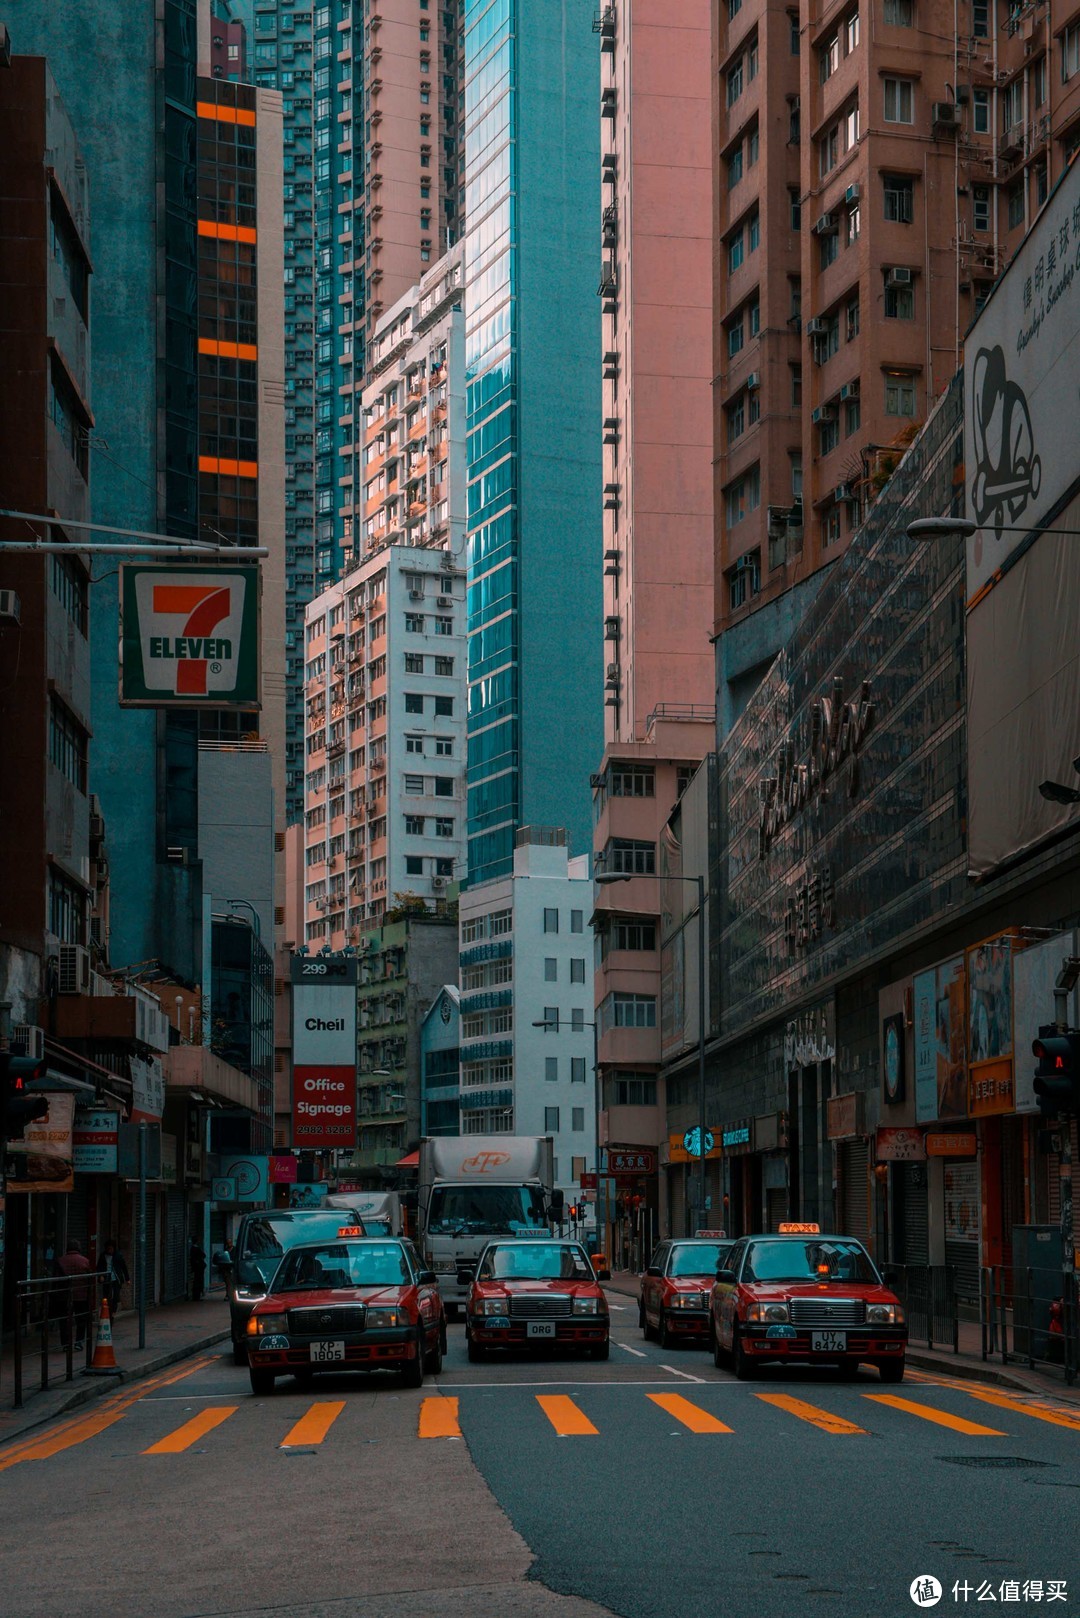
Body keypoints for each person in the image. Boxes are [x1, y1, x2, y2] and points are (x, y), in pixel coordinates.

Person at [55, 1240, 92, 1350]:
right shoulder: (85, 1261)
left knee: (65, 1320)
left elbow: (56, 1279)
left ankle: (66, 1344)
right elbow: (89, 1277)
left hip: (64, 1295)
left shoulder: (60, 1261)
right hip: (81, 1295)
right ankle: (79, 1342)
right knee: (81, 1319)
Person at [96, 1240, 130, 1318]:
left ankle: (113, 1311)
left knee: (116, 1296)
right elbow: (99, 1267)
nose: (110, 1251)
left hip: (116, 1279)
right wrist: (100, 1275)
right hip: (106, 1279)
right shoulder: (103, 1256)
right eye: (108, 1249)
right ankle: (106, 1310)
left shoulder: (118, 1256)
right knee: (106, 1295)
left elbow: (123, 1267)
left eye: (111, 1249)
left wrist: (127, 1279)